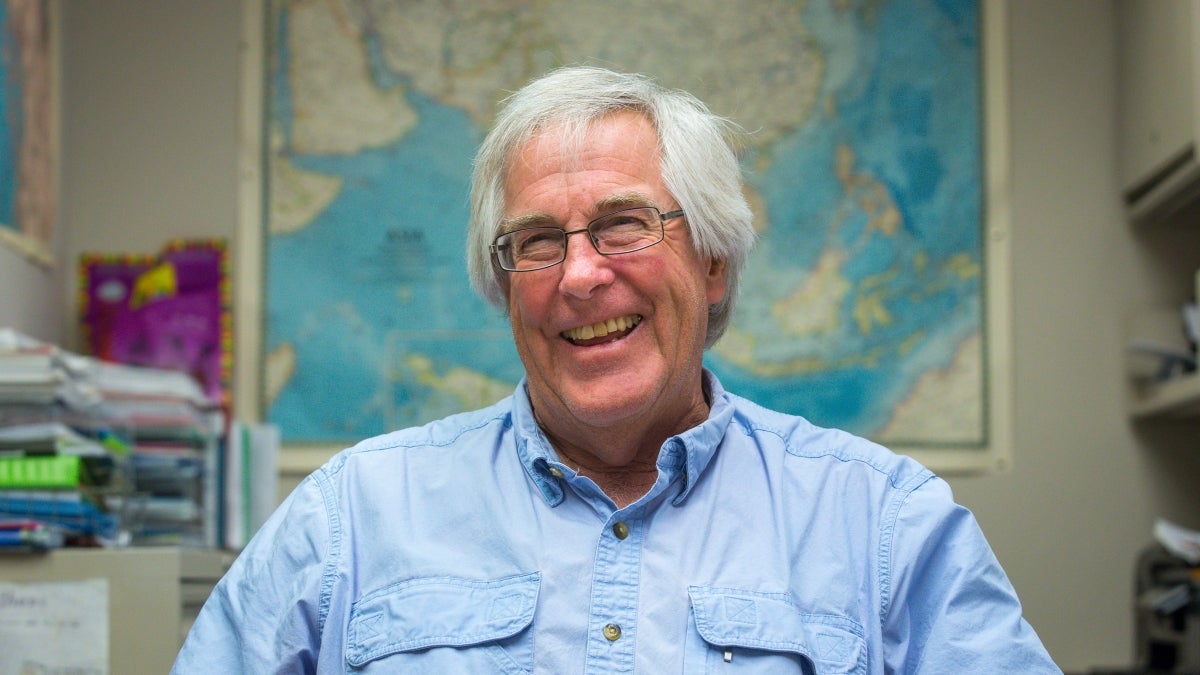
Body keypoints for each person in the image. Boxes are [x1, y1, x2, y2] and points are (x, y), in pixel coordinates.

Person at [173, 66, 1060, 673]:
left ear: (712, 262)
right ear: (504, 284)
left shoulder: (888, 529)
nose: (582, 273)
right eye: (538, 241)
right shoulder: (350, 518)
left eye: (625, 223)